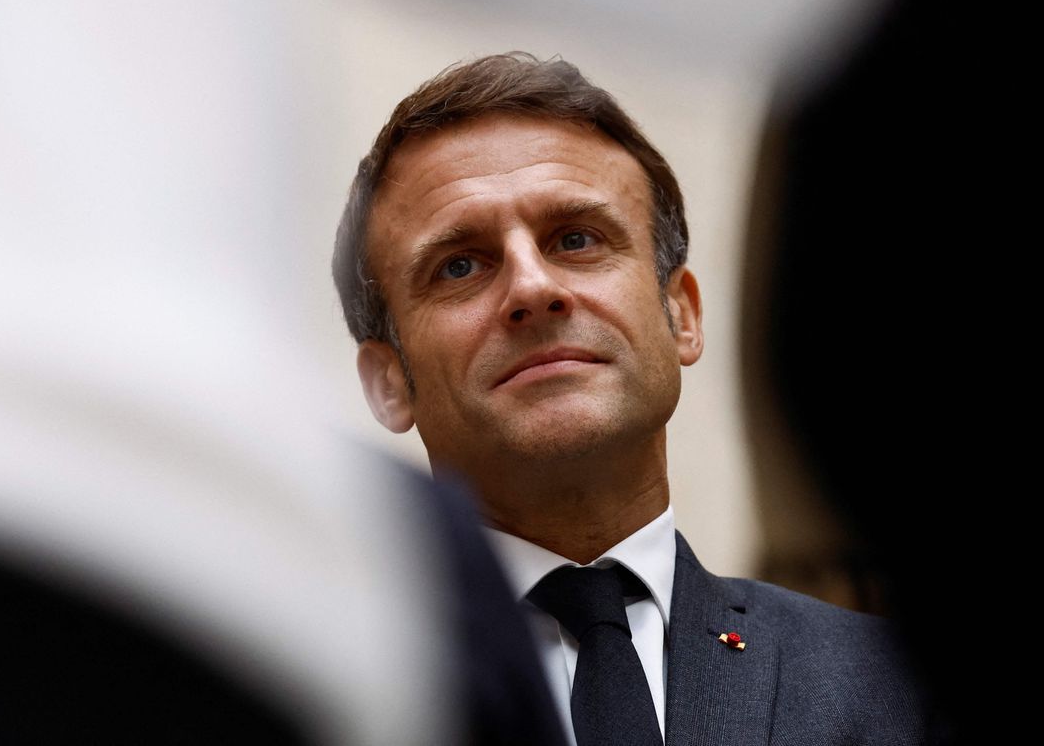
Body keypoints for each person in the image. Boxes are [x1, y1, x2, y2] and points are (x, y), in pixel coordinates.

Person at [333, 52, 925, 745]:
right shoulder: (315, 687)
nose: (533, 287)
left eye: (576, 239)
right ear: (387, 382)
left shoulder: (897, 687)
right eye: (460, 265)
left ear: (683, 316)